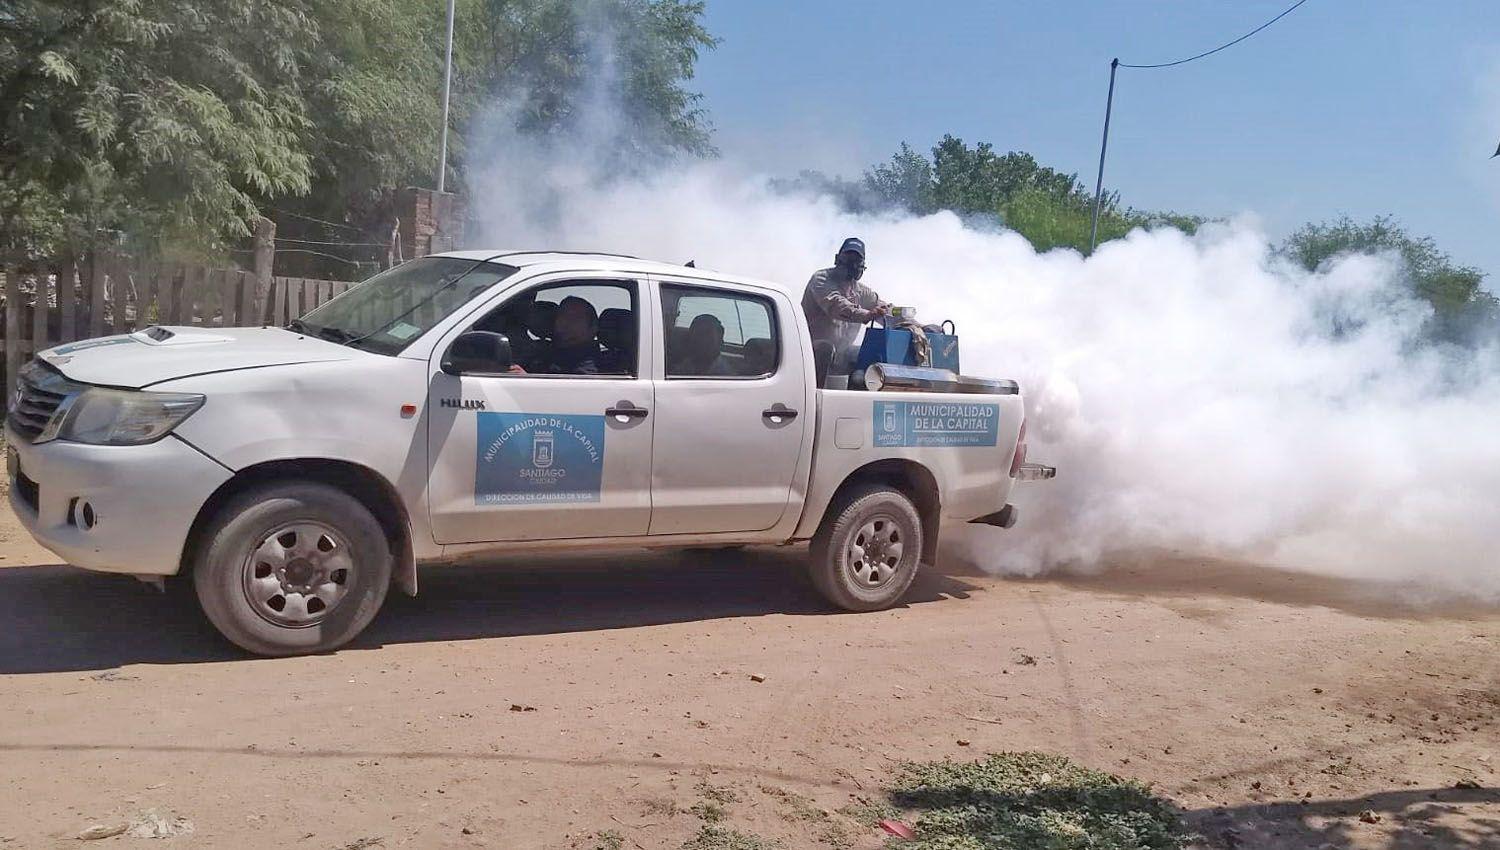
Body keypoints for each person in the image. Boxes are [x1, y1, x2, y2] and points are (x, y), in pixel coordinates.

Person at [801, 237, 890, 384]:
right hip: (807, 351)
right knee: (825, 348)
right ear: (837, 259)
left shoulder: (861, 291)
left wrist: (911, 324)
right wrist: (867, 314)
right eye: (848, 259)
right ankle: (813, 395)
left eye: (856, 261)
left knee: (866, 354)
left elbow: (885, 310)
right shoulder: (821, 280)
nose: (851, 265)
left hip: (841, 353)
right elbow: (838, 306)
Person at [512, 296, 603, 375]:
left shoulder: (591, 364)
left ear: (593, 328)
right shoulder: (542, 350)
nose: (566, 321)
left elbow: (575, 392)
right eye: (562, 315)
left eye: (575, 317)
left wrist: (525, 379)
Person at [670, 314, 735, 376]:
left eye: (707, 334)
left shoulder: (723, 375)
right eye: (698, 334)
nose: (703, 340)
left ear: (720, 340)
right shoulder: (686, 365)